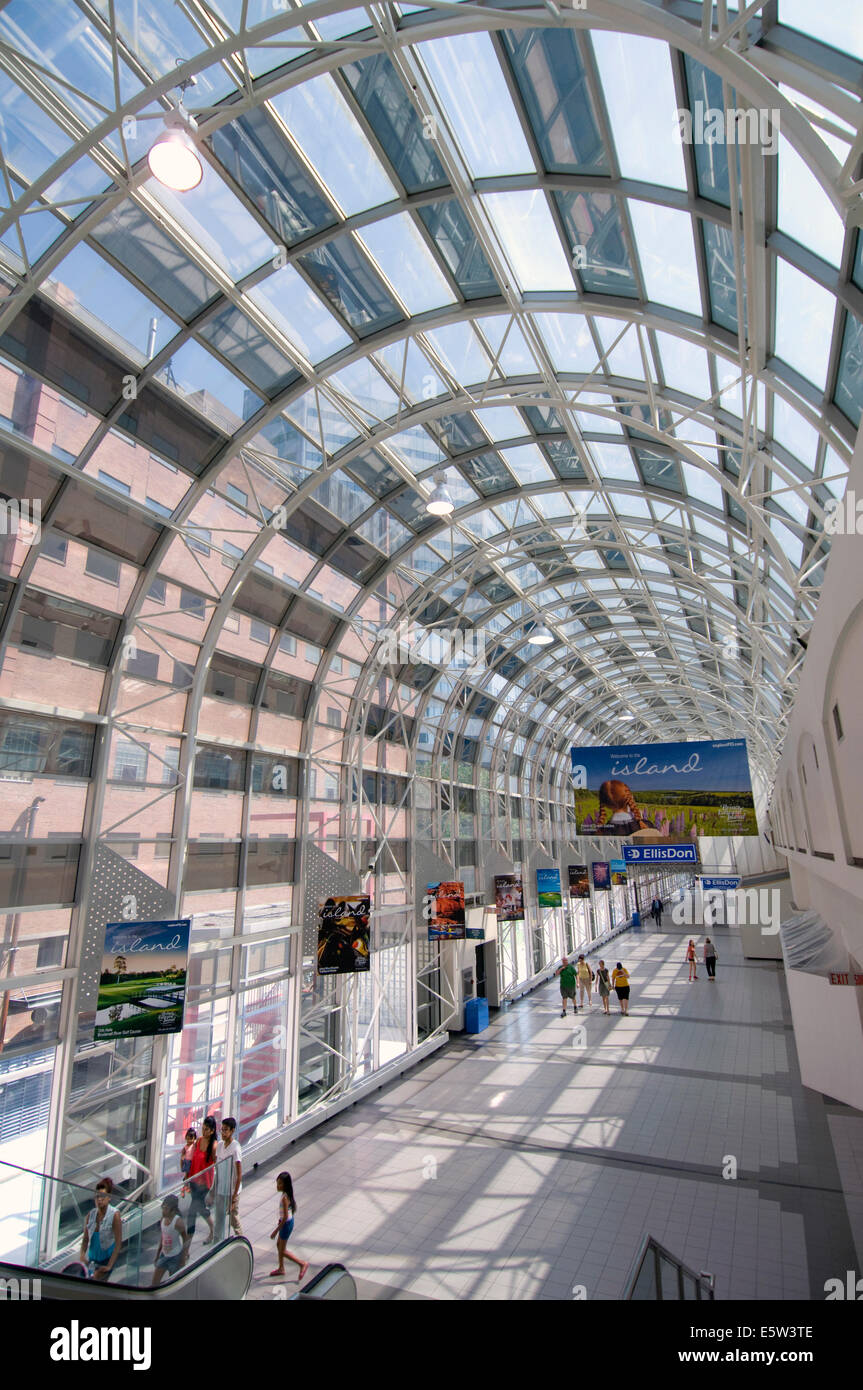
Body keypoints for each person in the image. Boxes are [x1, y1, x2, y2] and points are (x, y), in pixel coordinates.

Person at [79, 1177, 123, 1282]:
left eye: (103, 1196)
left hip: (106, 1260)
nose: (99, 1199)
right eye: (97, 1196)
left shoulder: (114, 1215)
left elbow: (118, 1243)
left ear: (109, 1197)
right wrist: (82, 1256)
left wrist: (109, 1266)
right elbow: (85, 1239)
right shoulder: (91, 1215)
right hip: (92, 1260)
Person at [269, 1172, 309, 1282]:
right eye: (277, 1183)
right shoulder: (286, 1195)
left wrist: (275, 1231)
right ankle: (281, 1268)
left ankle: (302, 1264)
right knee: (279, 1245)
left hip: (286, 1225)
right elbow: (286, 1214)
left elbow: (286, 1217)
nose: (278, 1186)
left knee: (283, 1251)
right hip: (286, 1223)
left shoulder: (284, 1198)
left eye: (280, 1184)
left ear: (285, 1185)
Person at [211, 1116, 243, 1240]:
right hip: (221, 1190)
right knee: (219, 1218)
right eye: (222, 1130)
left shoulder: (235, 1148)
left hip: (231, 1191)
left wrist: (234, 1197)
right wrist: (214, 1190)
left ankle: (241, 1240)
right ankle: (216, 1242)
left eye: (225, 1130)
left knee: (233, 1219)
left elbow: (239, 1174)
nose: (223, 1133)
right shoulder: (219, 1146)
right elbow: (217, 1170)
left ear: (232, 1131)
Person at [187, 1116, 217, 1245]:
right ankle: (213, 1229)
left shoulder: (214, 1146)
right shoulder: (199, 1141)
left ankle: (187, 1245)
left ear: (212, 1131)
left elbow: (216, 1168)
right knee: (199, 1208)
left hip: (204, 1184)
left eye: (206, 1130)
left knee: (192, 1211)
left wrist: (212, 1192)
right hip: (194, 1181)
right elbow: (193, 1161)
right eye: (203, 1129)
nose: (203, 1132)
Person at [151, 1193, 190, 1287]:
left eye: (166, 1208)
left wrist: (183, 1258)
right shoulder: (162, 1219)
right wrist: (157, 1254)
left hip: (175, 1257)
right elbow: (163, 1237)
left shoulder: (178, 1222)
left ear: (172, 1210)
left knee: (172, 1284)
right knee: (154, 1284)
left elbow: (185, 1238)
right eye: (163, 1208)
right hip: (164, 1255)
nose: (163, 1211)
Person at [180, 1126, 196, 1194]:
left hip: (192, 1162)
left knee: (190, 1174)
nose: (189, 1141)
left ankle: (187, 1185)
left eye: (191, 1139)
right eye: (188, 1139)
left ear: (194, 1139)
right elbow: (182, 1156)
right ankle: (186, 1185)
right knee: (187, 1173)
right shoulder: (186, 1147)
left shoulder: (194, 1145)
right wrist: (181, 1164)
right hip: (187, 1162)